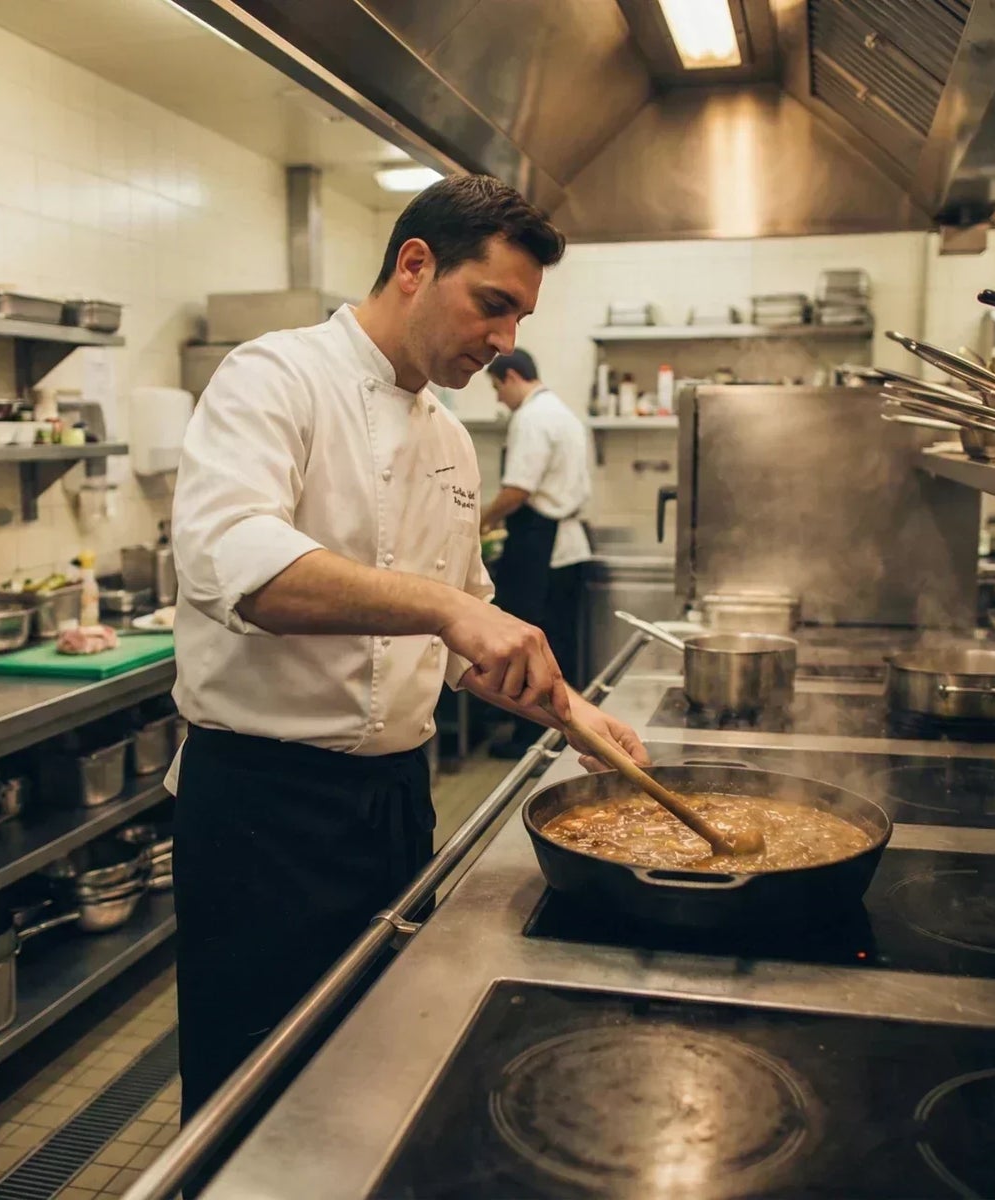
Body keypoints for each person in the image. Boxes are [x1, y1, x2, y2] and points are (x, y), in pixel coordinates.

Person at [163, 174, 650, 1117]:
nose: (506, 341)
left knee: (372, 1083)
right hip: (263, 813)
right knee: (245, 1102)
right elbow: (238, 566)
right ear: (415, 266)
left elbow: (473, 638)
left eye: (520, 318)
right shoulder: (274, 375)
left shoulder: (451, 441)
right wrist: (441, 607)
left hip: (393, 807)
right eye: (493, 305)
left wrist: (577, 718)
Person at [480, 349, 593, 756]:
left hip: (542, 546)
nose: (497, 398)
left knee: (535, 647)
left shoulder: (531, 417)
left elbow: (518, 489)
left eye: (496, 387)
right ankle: (561, 733)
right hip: (564, 546)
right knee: (557, 642)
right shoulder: (561, 412)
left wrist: (483, 520)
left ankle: (534, 739)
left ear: (511, 376)